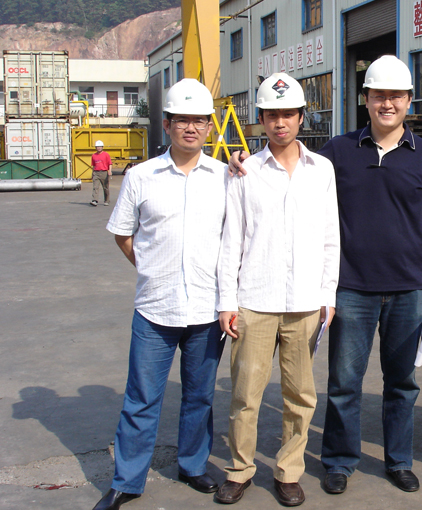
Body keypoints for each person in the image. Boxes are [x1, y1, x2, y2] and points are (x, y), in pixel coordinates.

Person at [318, 55, 422, 494]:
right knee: (344, 383)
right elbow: (294, 171)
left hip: (408, 289)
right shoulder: (339, 151)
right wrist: (244, 159)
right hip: (351, 288)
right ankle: (339, 461)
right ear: (366, 99)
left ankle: (398, 460)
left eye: (395, 96)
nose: (387, 104)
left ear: (409, 101)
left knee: (401, 384)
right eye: (379, 96)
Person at [94, 78, 227, 510]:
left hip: (206, 310)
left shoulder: (225, 177)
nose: (191, 128)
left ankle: (192, 464)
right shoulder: (141, 176)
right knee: (141, 399)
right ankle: (127, 480)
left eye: (199, 120)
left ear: (209, 127)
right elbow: (123, 233)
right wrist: (150, 267)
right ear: (167, 124)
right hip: (155, 310)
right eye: (181, 120)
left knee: (200, 396)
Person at [214, 73, 340, 507]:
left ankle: (288, 471)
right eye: (272, 115)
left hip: (305, 301)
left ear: (302, 117)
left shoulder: (321, 170)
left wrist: (328, 296)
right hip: (255, 300)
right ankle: (240, 469)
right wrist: (227, 301)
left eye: (288, 114)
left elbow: (330, 237)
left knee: (300, 395)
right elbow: (232, 239)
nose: (280, 122)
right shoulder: (245, 170)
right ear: (261, 120)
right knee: (246, 395)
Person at [91, 140, 112, 206]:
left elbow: (110, 163)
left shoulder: (106, 154)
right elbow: (93, 165)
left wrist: (109, 171)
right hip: (96, 172)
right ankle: (95, 200)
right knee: (95, 187)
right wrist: (93, 173)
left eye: (100, 146)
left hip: (104, 172)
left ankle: (106, 200)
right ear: (95, 147)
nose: (99, 148)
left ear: (102, 147)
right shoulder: (94, 155)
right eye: (97, 146)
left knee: (105, 187)